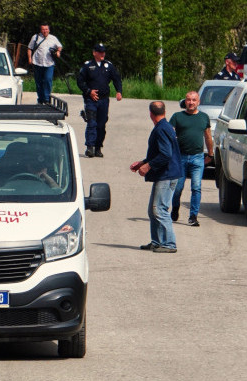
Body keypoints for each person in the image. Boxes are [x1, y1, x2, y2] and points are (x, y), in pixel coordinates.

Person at [129, 101, 183, 253]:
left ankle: (169, 244)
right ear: (164, 111)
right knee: (152, 210)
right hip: (165, 174)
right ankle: (157, 241)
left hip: (167, 175)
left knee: (159, 209)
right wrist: (143, 162)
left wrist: (148, 166)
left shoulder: (161, 129)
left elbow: (166, 154)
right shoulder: (165, 127)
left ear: (150, 114)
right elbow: (159, 152)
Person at [169, 90, 213, 226]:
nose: (191, 102)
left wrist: (210, 154)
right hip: (180, 158)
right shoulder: (177, 116)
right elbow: (169, 134)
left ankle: (193, 216)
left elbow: (208, 136)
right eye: (188, 100)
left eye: (194, 100)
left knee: (196, 187)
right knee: (177, 188)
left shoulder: (204, 117)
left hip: (197, 158)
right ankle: (175, 208)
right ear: (185, 101)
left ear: (198, 102)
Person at [76, 43, 123, 158]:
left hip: (104, 100)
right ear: (94, 53)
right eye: (100, 52)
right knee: (92, 123)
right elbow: (80, 81)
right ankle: (90, 147)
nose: (102, 54)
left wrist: (119, 91)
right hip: (91, 99)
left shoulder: (108, 66)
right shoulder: (88, 66)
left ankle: (98, 147)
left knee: (101, 125)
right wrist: (88, 91)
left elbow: (116, 78)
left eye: (103, 52)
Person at [28, 23, 63, 104]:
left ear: (49, 30)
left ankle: (46, 99)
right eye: (43, 29)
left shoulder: (53, 38)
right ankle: (40, 99)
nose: (45, 31)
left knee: (48, 80)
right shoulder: (36, 37)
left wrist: (58, 51)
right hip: (37, 63)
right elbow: (29, 48)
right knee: (39, 82)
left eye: (46, 29)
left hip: (49, 63)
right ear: (41, 30)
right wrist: (29, 58)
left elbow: (59, 46)